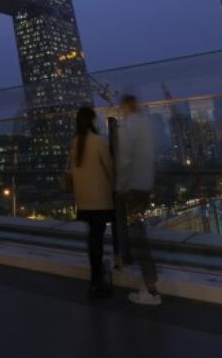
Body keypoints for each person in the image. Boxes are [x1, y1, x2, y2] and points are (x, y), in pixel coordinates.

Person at [116, 94, 161, 305]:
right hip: (144, 185)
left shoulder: (128, 126)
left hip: (132, 188)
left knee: (136, 234)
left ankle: (150, 288)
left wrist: (120, 185)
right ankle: (149, 282)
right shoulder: (145, 124)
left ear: (126, 107)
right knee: (138, 232)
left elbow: (124, 159)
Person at [67, 106, 114, 299]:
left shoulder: (75, 142)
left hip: (83, 200)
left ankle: (95, 281)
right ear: (93, 121)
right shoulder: (99, 142)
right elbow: (110, 169)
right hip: (100, 200)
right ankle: (97, 282)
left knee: (92, 239)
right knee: (98, 239)